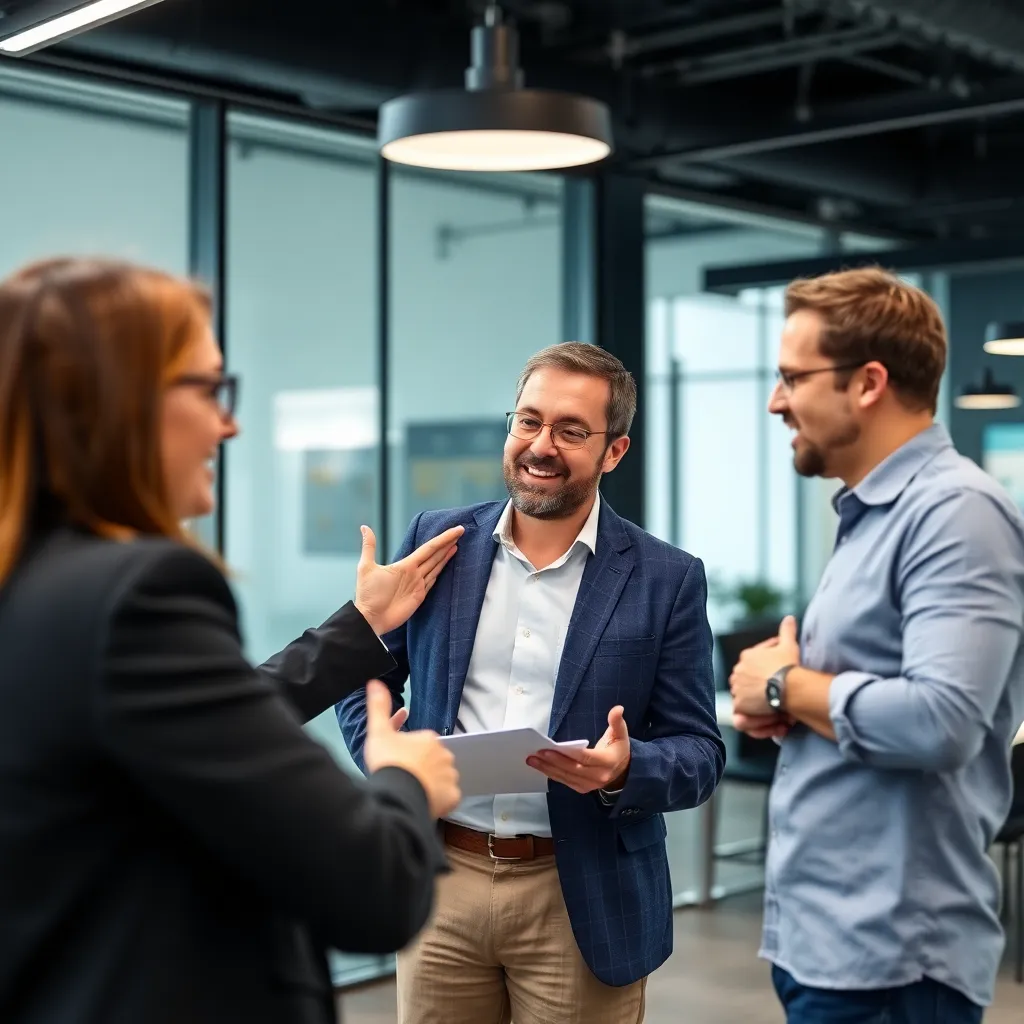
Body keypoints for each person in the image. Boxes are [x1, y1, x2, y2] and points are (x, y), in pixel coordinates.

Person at [0, 257, 465, 1024]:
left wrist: (361, 627)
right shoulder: (141, 593)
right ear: (117, 401)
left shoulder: (37, 586)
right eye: (210, 387)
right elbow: (371, 887)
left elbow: (189, 727)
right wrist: (404, 779)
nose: (231, 422)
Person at [337, 342, 726, 1024]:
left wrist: (624, 767)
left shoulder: (667, 579)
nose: (541, 445)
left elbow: (700, 750)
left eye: (572, 430)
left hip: (580, 893)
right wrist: (378, 747)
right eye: (529, 421)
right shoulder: (440, 541)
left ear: (614, 451)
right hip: (441, 879)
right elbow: (359, 670)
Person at [728, 267, 1024, 1024]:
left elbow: (942, 721)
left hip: (893, 959)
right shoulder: (872, 515)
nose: (776, 401)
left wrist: (785, 686)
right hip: (831, 942)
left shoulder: (956, 513)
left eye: (792, 377)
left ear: (868, 382)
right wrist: (792, 703)